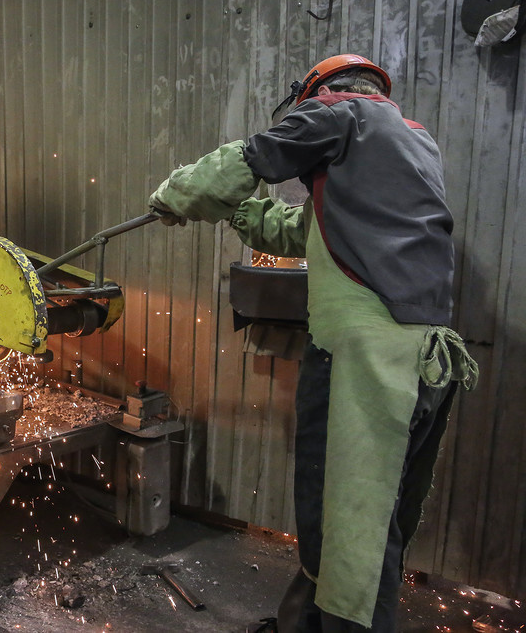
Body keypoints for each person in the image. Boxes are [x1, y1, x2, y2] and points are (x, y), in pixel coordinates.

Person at [148, 54, 478, 632]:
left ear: (319, 94)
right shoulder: (412, 145)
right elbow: (302, 229)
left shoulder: (343, 113)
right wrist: (235, 211)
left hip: (370, 363)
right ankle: (306, 624)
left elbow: (252, 157)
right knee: (367, 519)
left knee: (349, 530)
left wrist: (179, 195)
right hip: (425, 362)